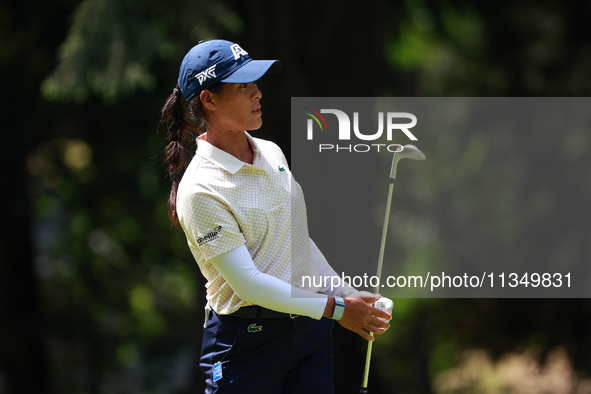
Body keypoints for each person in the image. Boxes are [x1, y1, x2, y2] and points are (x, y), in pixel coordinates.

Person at [160, 39, 391, 394]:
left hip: (309, 333)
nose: (258, 94)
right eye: (244, 87)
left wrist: (349, 295)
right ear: (209, 99)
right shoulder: (201, 189)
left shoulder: (271, 152)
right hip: (245, 345)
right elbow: (249, 284)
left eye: (256, 84)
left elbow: (297, 243)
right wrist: (338, 309)